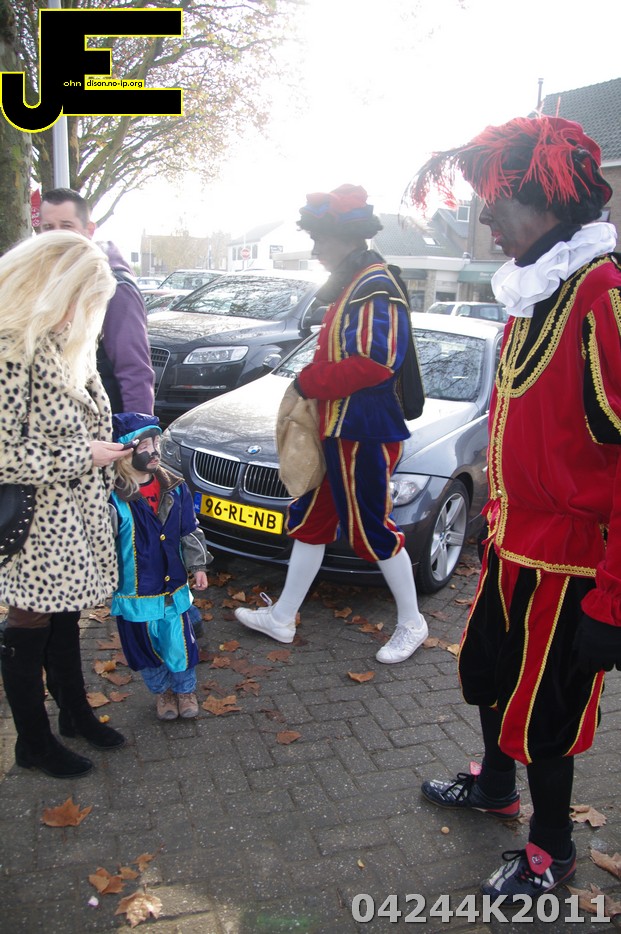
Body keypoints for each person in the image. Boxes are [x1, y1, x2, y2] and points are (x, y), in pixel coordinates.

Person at [408, 115, 621, 900]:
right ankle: (495, 786)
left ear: (546, 200)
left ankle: (550, 852)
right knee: (490, 674)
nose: (484, 222)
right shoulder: (535, 288)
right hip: (509, 542)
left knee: (547, 712)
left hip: (572, 564)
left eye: (494, 204)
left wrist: (613, 600)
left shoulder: (600, 294)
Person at [235, 184, 428, 664]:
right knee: (312, 522)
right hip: (339, 427)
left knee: (372, 530)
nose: (315, 249)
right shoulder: (357, 281)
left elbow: (377, 363)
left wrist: (309, 380)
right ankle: (282, 616)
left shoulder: (376, 285)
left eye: (319, 239)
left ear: (344, 237)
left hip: (364, 430)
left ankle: (413, 622)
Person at [0, 232, 131, 779]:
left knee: (66, 613)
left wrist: (121, 452)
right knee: (29, 621)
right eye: (85, 299)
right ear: (54, 289)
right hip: (35, 521)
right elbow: (3, 453)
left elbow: (91, 417)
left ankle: (74, 712)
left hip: (77, 513)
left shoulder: (65, 341)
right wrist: (83, 455)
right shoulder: (10, 347)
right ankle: (33, 741)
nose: (87, 313)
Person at [109, 412, 212, 720]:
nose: (154, 451)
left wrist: (198, 565)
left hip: (173, 591)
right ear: (124, 452)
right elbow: (102, 547)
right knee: (145, 648)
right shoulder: (113, 499)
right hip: (135, 595)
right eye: (145, 446)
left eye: (157, 443)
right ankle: (162, 691)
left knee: (180, 645)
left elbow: (189, 530)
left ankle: (185, 689)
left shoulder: (175, 487)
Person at [39, 188, 155, 415]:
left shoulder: (113, 287)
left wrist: (139, 429)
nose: (57, 235)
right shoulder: (44, 281)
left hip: (101, 424)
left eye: (66, 226)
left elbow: (134, 370)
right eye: (48, 227)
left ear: (89, 230)